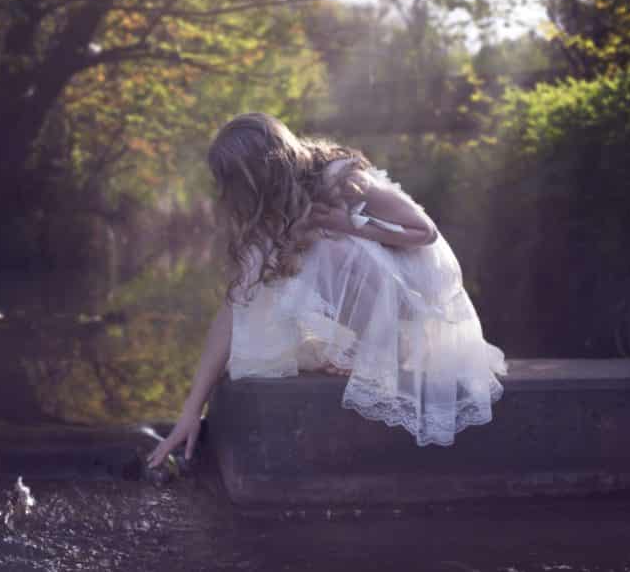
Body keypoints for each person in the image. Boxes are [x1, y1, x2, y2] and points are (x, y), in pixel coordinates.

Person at [146, 113, 506, 469]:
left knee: (324, 242)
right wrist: (191, 409)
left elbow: (424, 232)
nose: (234, 192)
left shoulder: (340, 179)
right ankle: (362, 347)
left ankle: (383, 350)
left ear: (266, 170)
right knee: (267, 268)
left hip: (414, 297)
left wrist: (348, 224)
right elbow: (235, 307)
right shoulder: (270, 211)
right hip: (375, 292)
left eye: (240, 180)